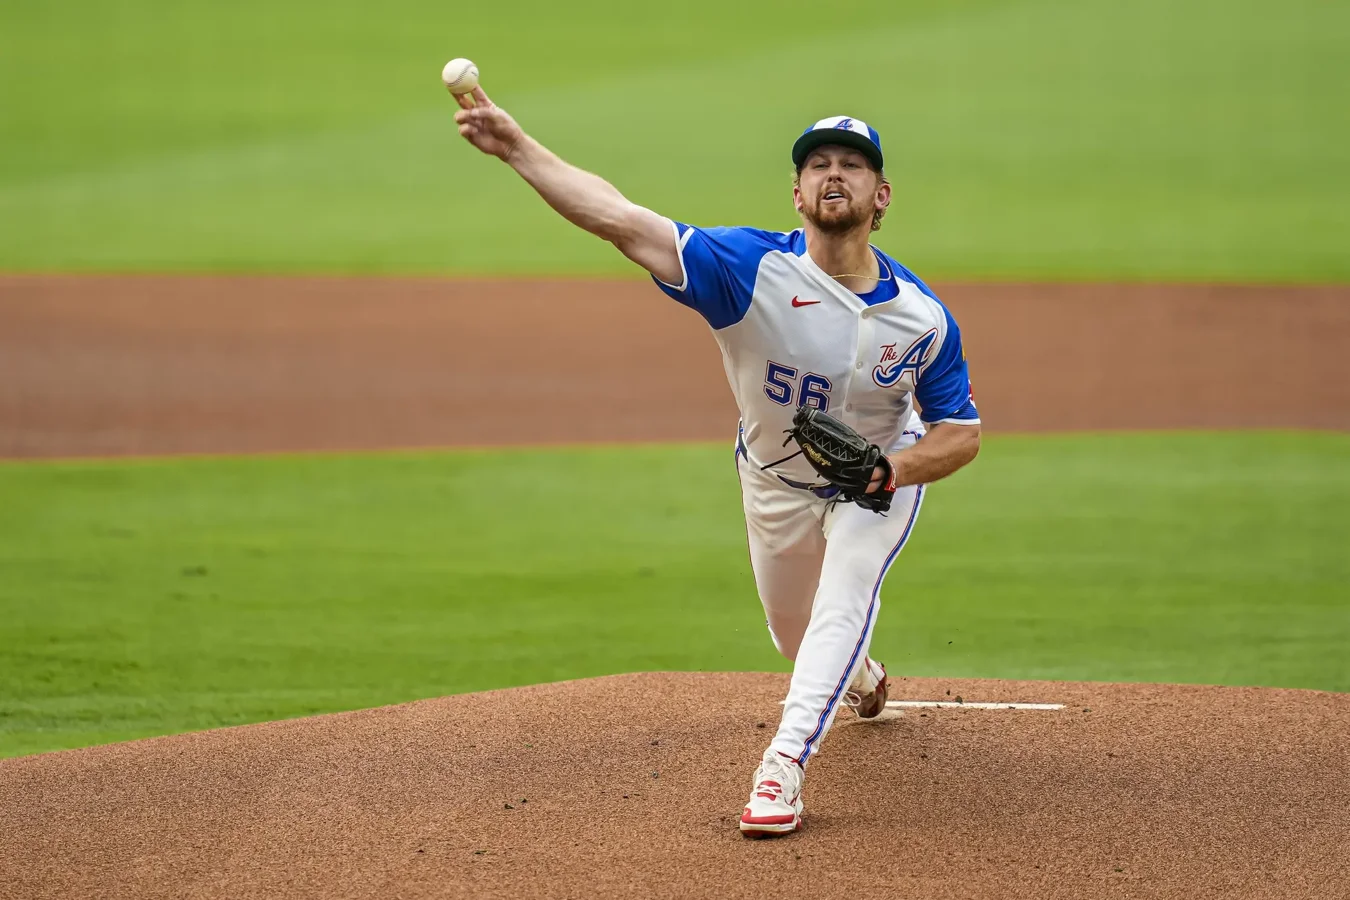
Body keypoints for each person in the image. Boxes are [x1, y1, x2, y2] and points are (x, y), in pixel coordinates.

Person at [452, 87, 981, 836]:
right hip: (772, 482)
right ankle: (860, 674)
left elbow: (961, 433)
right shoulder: (747, 269)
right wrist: (516, 148)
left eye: (853, 164)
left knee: (844, 597)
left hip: (875, 484)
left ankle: (782, 767)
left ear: (881, 195)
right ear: (796, 193)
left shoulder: (922, 319)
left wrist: (891, 472)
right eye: (819, 164)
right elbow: (618, 218)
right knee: (794, 635)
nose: (834, 173)